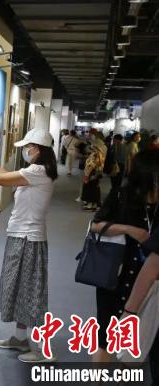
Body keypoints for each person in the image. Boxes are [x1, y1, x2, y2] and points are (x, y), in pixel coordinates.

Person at [0, 128, 58, 363]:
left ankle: (42, 350)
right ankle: (20, 338)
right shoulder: (34, 171)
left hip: (29, 239)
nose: (25, 151)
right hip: (20, 236)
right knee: (18, 289)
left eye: (28, 147)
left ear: (37, 149)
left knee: (31, 293)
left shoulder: (38, 171)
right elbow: (5, 175)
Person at [92, 150, 158, 373]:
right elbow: (96, 225)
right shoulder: (121, 195)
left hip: (148, 284)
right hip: (115, 275)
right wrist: (130, 230)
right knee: (106, 335)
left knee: (137, 340)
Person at [81, 136, 106, 211]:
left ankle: (91, 204)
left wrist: (91, 175)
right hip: (92, 173)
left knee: (91, 189)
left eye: (92, 144)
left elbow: (95, 165)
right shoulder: (97, 153)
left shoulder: (96, 154)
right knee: (92, 188)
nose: (91, 146)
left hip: (92, 173)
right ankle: (93, 204)